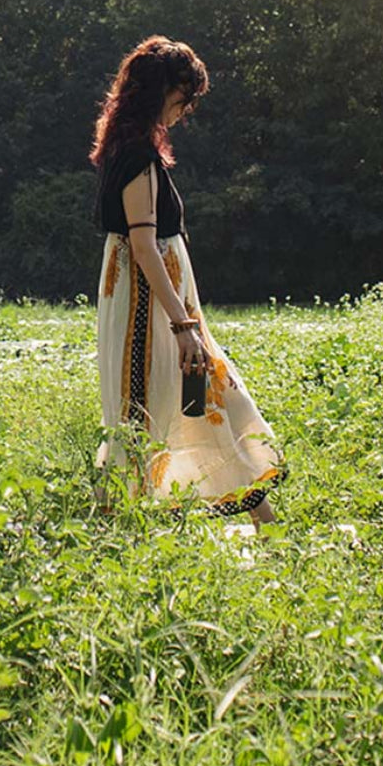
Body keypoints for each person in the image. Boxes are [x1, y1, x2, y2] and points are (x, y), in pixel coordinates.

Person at [91, 36, 282, 525]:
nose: (185, 110)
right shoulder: (138, 159)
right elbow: (143, 246)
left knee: (196, 395)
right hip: (149, 303)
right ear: (159, 94)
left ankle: (117, 521)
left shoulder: (126, 149)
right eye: (182, 98)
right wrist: (183, 325)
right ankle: (115, 525)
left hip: (152, 297)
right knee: (157, 403)